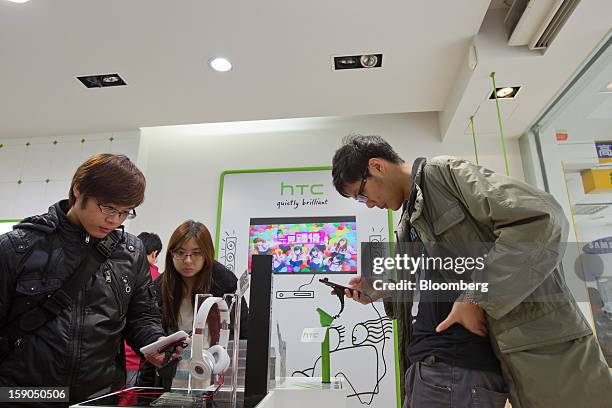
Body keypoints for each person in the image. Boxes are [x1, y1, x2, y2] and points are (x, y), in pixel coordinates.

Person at [332, 135, 612, 408]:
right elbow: (443, 278)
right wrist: (380, 288)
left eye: (361, 194)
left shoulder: (443, 175)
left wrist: (477, 297)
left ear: (377, 166)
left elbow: (542, 218)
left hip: (502, 355)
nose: (367, 203)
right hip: (443, 362)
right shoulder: (408, 221)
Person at [0, 154, 174, 406]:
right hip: (24, 396)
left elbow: (142, 317)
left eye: (125, 212)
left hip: (99, 397)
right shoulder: (19, 247)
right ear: (79, 189)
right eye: (108, 208)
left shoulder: (131, 252)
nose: (115, 220)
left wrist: (156, 342)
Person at [138, 220, 249, 389]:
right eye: (180, 253)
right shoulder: (159, 288)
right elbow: (152, 347)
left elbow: (243, 333)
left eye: (196, 253)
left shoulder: (224, 284)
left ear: (207, 254)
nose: (188, 260)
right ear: (171, 254)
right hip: (172, 382)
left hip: (214, 381)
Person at [124, 232, 163, 387]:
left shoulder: (124, 273)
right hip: (140, 355)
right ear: (154, 254)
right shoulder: (158, 279)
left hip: (116, 356)